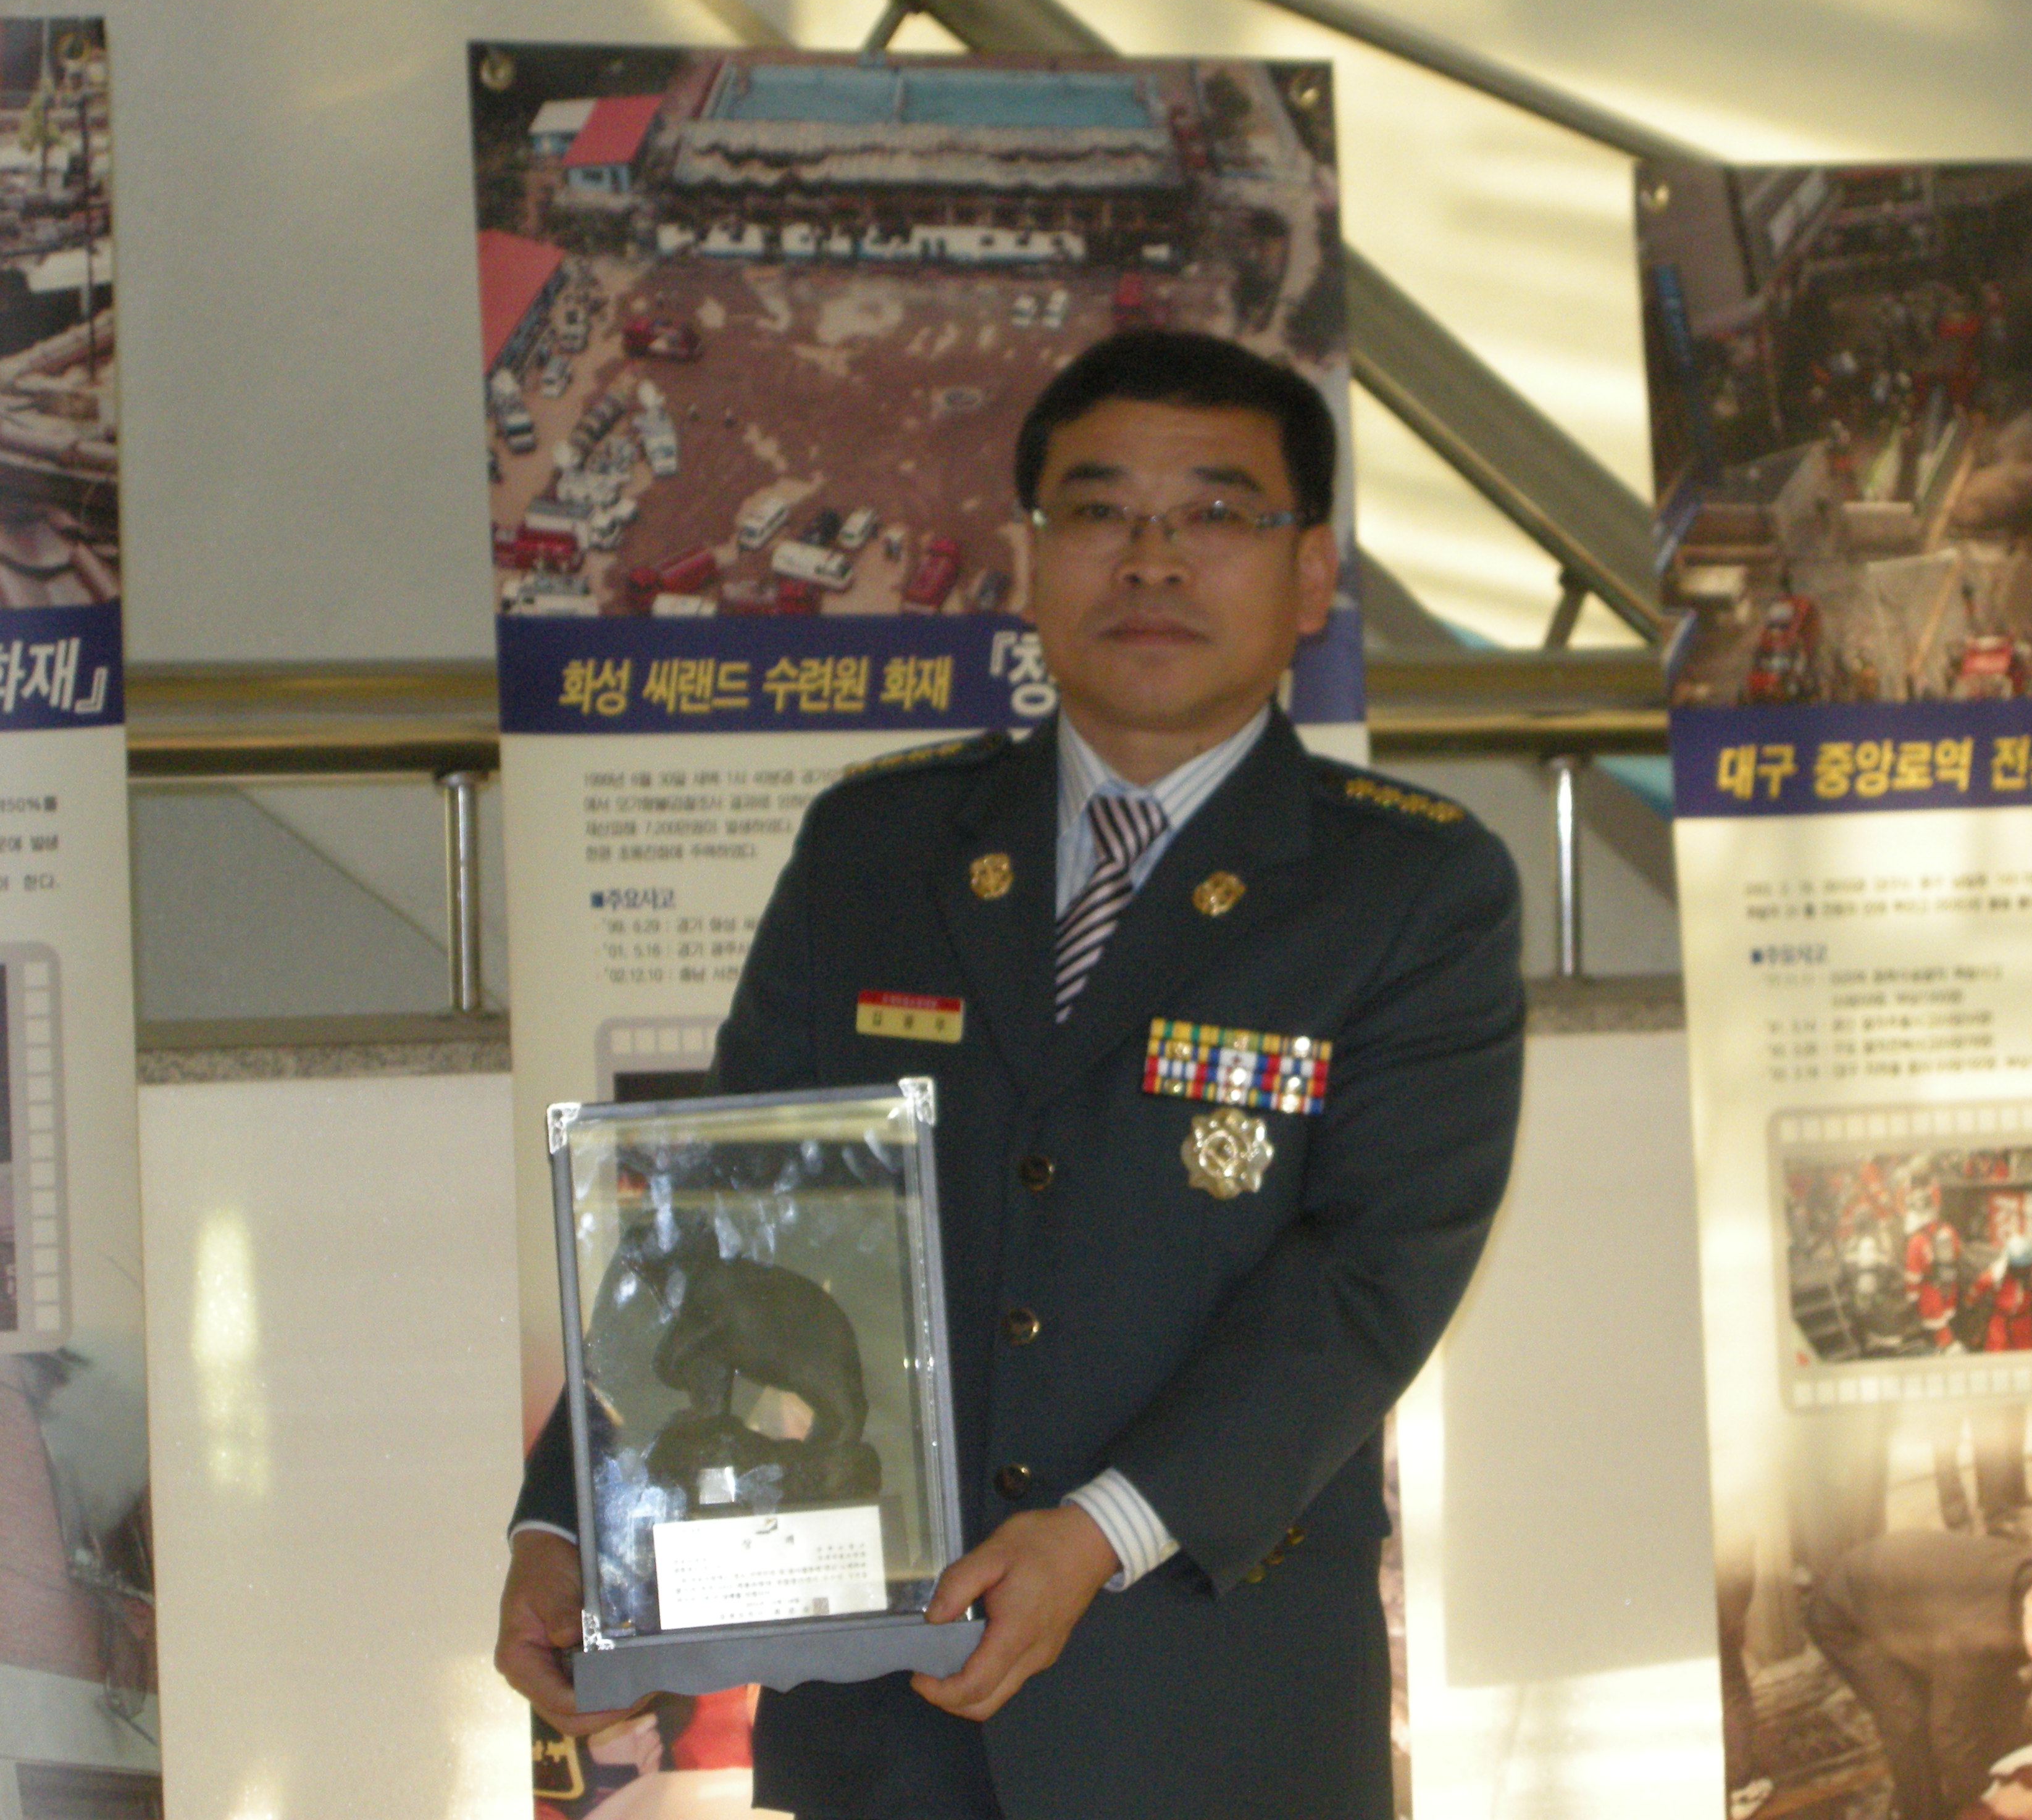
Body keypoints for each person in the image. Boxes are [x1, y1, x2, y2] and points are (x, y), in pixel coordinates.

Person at [494, 328, 1527, 1820]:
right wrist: (577, 1526)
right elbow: (726, 1203)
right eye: (1099, 511)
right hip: (883, 1715)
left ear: (1310, 574)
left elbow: (1368, 1280)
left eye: (1215, 513)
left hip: (1214, 1710)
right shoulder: (878, 848)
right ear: (1029, 561)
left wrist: (1096, 1532)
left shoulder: (1408, 889)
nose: (1151, 559)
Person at [1807, 1529, 2032, 1820]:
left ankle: (1934, 1791)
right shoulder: (1975, 1635)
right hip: (1847, 1612)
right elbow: (1950, 1731)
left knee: (1971, 1703)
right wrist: (1995, 1795)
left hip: (1905, 1602)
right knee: (1908, 1721)